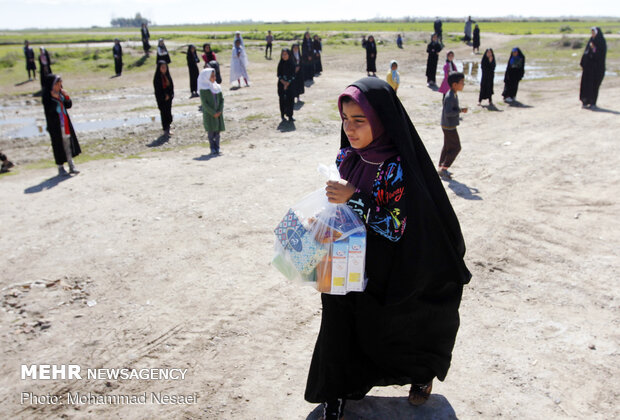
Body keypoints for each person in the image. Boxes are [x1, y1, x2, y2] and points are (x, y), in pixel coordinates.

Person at [305, 77, 470, 420]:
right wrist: (320, 218)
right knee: (337, 330)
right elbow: (338, 205)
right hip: (343, 261)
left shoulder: (395, 166)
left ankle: (420, 376)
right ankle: (335, 395)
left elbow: (393, 227)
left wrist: (355, 198)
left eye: (359, 120)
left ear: (379, 120)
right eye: (345, 120)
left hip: (386, 270)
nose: (349, 129)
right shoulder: (347, 156)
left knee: (390, 331)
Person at [42, 74, 81, 176]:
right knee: (58, 145)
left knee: (68, 144)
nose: (59, 87)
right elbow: (49, 111)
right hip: (55, 126)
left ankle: (71, 165)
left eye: (60, 84)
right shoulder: (47, 96)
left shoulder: (61, 94)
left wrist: (66, 97)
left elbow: (68, 105)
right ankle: (60, 167)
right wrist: (54, 99)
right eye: (57, 84)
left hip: (65, 124)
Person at [439, 72, 467, 180]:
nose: (463, 85)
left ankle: (441, 167)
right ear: (455, 85)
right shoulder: (450, 96)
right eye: (462, 83)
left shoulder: (453, 93)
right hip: (449, 126)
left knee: (447, 146)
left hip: (447, 125)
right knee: (456, 147)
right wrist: (460, 110)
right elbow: (448, 112)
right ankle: (444, 168)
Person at [198, 68, 225, 156]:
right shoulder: (203, 90)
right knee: (211, 132)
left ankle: (217, 147)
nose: (214, 78)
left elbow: (221, 99)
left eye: (214, 76)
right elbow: (205, 104)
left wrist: (220, 110)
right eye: (212, 76)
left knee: (217, 132)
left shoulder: (217, 87)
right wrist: (213, 113)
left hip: (218, 113)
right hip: (210, 115)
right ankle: (212, 148)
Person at [580, 27, 607, 109]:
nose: (593, 35)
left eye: (594, 33)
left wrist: (594, 49)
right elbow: (586, 53)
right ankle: (585, 101)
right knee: (586, 84)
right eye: (592, 33)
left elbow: (601, 55)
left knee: (594, 85)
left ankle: (592, 102)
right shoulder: (591, 41)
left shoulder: (601, 42)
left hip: (597, 69)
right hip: (588, 69)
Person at [153, 61, 174, 137]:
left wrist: (169, 95)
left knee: (169, 112)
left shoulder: (168, 76)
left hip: (168, 99)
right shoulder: (157, 78)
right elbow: (158, 90)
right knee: (163, 113)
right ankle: (165, 129)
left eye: (165, 67)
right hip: (161, 99)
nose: (164, 69)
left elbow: (171, 86)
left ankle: (168, 127)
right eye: (162, 67)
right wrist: (164, 96)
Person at [277, 48, 296, 122]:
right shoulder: (280, 63)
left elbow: (293, 75)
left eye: (285, 54)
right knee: (282, 100)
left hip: (290, 84)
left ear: (289, 55)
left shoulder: (292, 63)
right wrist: (283, 83)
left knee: (290, 100)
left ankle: (290, 115)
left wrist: (287, 83)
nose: (284, 56)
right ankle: (282, 114)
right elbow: (278, 75)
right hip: (281, 84)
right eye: (283, 54)